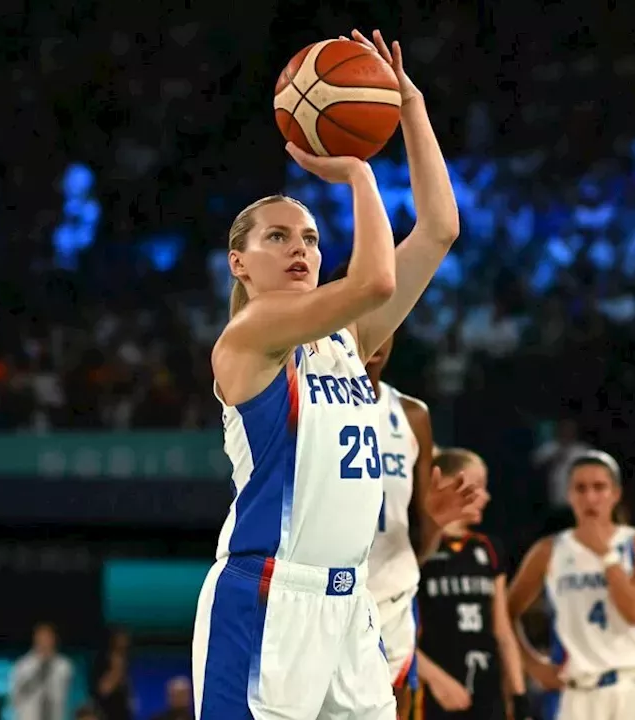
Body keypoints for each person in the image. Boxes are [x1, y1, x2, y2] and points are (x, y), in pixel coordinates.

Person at [192, 29, 481, 720]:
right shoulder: (250, 337)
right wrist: (358, 174)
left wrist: (407, 105)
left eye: (312, 238)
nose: (301, 248)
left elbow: (439, 229)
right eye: (279, 236)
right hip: (267, 599)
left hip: (350, 605)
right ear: (239, 263)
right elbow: (377, 278)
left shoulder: (344, 341)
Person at [327, 260, 436, 720]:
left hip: (391, 606)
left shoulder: (411, 415)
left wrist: (438, 522)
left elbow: (422, 531)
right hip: (324, 600)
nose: (374, 335)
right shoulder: (305, 398)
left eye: (385, 320)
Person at [507, 451, 635, 720]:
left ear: (616, 493)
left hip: (630, 690)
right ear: (569, 495)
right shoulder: (549, 549)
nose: (590, 497)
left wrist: (605, 555)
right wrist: (531, 664)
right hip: (575, 692)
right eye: (581, 488)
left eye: (599, 487)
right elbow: (504, 612)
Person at [414, 448, 530, 720]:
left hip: (486, 689)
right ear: (444, 485)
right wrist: (436, 679)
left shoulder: (488, 548)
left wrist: (519, 696)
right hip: (434, 690)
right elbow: (392, 632)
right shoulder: (417, 548)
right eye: (477, 487)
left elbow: (502, 630)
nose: (486, 497)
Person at [9, 622, 74, 720]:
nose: (45, 642)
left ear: (54, 639)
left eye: (48, 637)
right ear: (35, 639)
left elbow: (69, 697)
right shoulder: (22, 666)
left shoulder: (64, 666)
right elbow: (15, 696)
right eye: (41, 638)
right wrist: (40, 672)